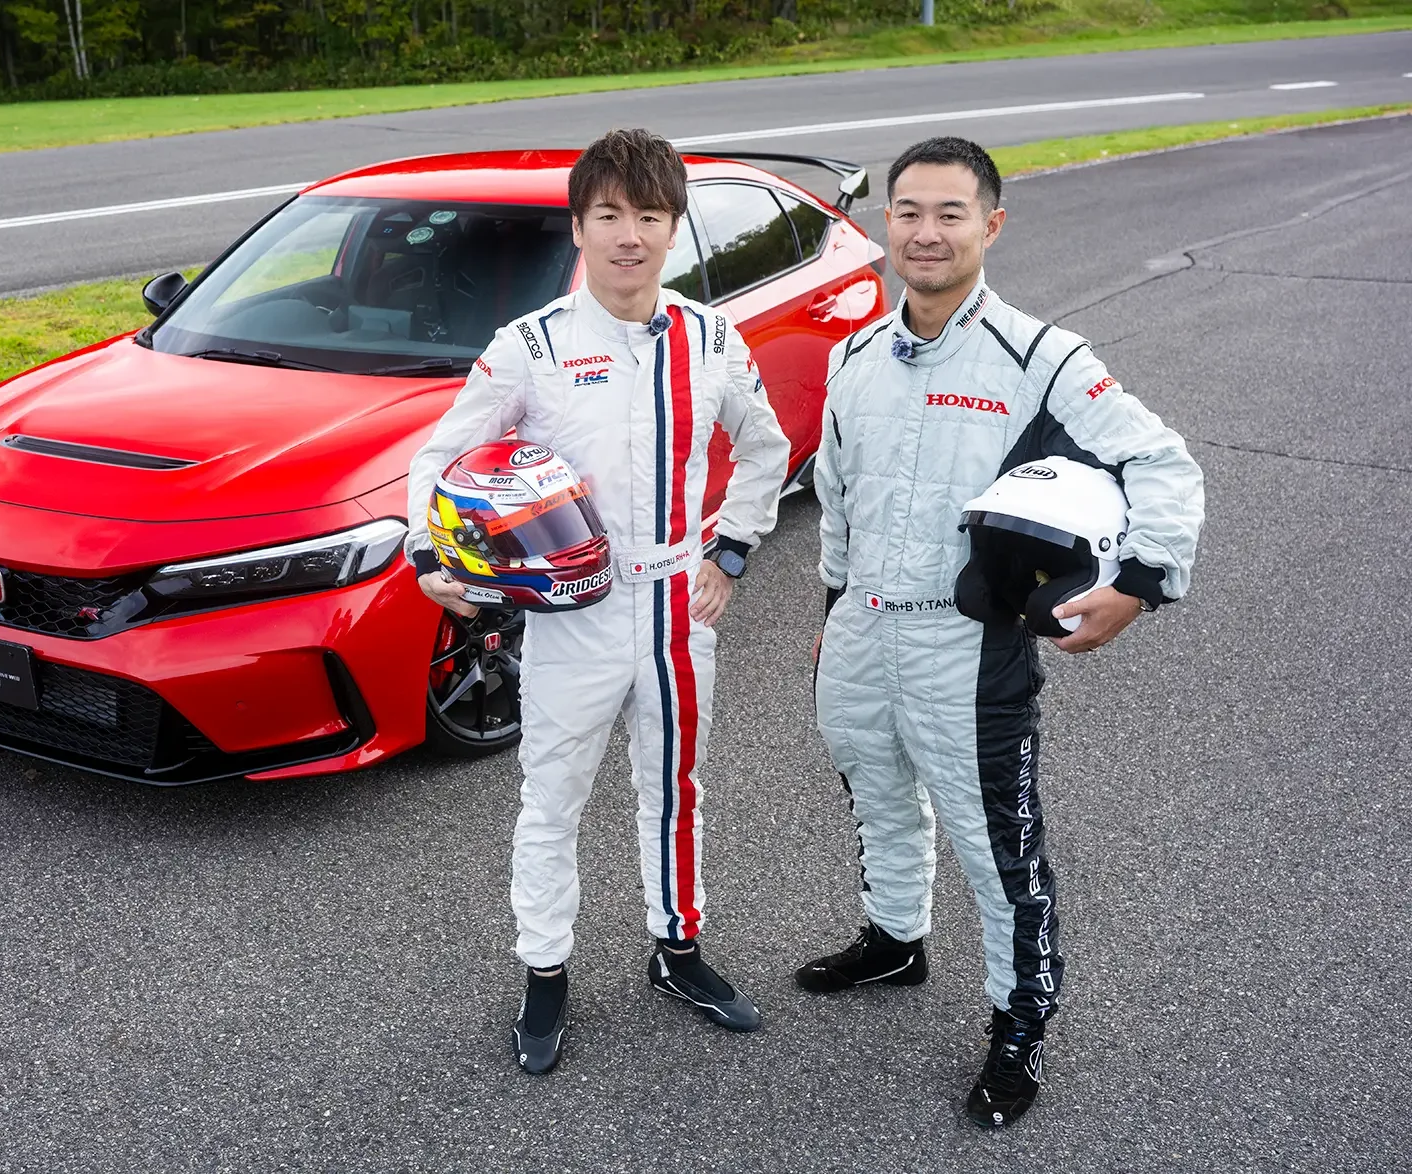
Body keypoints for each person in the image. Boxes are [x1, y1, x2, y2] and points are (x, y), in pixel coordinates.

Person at [798, 136, 1205, 1127]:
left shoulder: (1043, 357)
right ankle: (894, 940)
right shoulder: (854, 356)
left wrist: (1139, 583)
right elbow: (836, 496)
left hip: (966, 649)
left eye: (950, 212)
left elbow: (1160, 463)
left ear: (991, 224)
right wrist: (833, 605)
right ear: (885, 222)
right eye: (908, 211)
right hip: (862, 634)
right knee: (878, 803)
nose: (926, 231)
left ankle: (1019, 1025)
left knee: (997, 850)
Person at [404, 128, 791, 1075]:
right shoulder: (531, 346)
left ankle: (678, 950)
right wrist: (428, 550)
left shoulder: (711, 337)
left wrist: (731, 552)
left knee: (675, 791)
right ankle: (544, 973)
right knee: (552, 800)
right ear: (578, 227)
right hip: (571, 614)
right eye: (609, 215)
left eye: (649, 216)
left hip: (678, 611)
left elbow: (768, 446)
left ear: (674, 229)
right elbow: (438, 455)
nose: (630, 235)